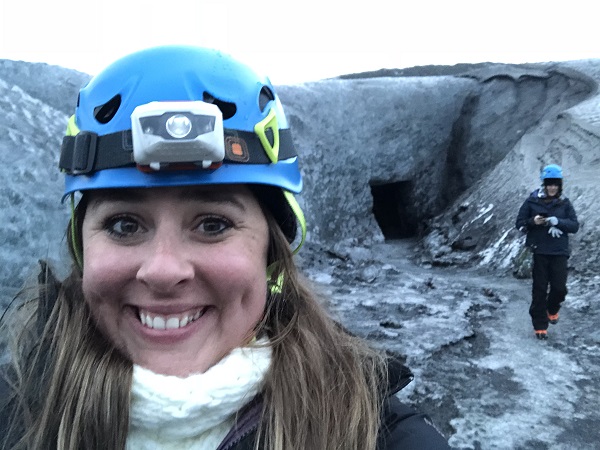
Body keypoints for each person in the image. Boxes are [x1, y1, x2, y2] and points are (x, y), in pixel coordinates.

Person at [0, 45, 450, 449]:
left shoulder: (378, 434)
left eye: (213, 224)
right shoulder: (13, 412)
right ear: (81, 250)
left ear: (272, 255)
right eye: (123, 224)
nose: (163, 270)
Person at [515, 164, 579, 340]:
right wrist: (533, 221)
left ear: (559, 185)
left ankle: (552, 309)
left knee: (559, 288)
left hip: (559, 251)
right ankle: (540, 325)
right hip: (539, 251)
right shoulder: (532, 201)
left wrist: (558, 221)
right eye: (549, 184)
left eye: (555, 184)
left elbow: (574, 226)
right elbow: (519, 223)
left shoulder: (565, 203)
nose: (552, 187)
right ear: (544, 184)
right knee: (539, 289)